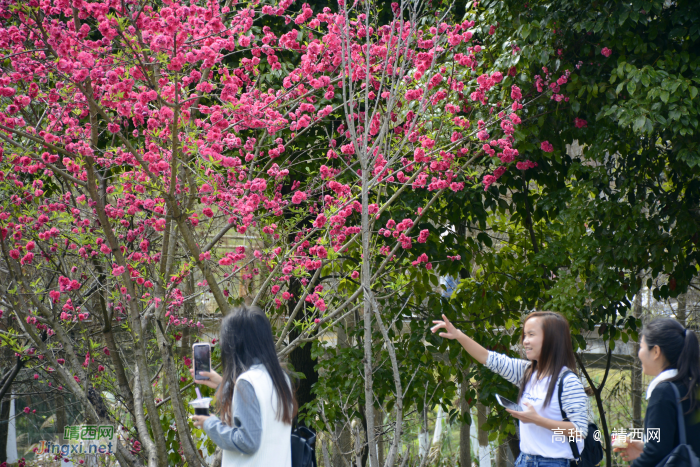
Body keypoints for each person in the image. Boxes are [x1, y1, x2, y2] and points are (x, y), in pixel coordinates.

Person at [431, 311, 590, 467]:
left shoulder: (568, 382)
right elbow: (487, 357)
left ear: (551, 339)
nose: (525, 341)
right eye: (525, 335)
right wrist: (458, 335)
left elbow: (579, 430)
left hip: (554, 463)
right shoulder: (526, 372)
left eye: (531, 335)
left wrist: (537, 420)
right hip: (524, 460)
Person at [190, 305, 297, 467]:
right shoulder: (281, 378)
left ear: (234, 345)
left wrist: (209, 424)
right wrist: (223, 384)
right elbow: (260, 413)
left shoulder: (248, 382)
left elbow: (247, 441)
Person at [613, 318, 700, 465]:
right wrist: (645, 447)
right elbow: (670, 444)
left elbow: (656, 451)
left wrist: (645, 455)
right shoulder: (690, 388)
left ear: (656, 351)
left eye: (641, 346)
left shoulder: (663, 393)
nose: (639, 353)